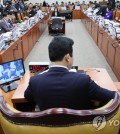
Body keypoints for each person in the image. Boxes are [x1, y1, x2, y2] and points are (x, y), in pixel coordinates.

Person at [24, 37, 115, 111]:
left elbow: (27, 97)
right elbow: (112, 96)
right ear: (67, 57)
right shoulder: (83, 80)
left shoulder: (34, 81)